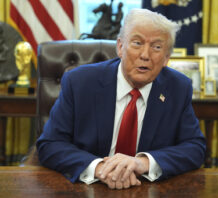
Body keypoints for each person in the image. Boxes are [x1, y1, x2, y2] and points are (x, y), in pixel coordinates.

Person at [37, 8, 206, 190]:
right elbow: (50, 144)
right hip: (88, 188)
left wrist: (143, 163)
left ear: (166, 58)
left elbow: (195, 148)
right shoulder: (79, 82)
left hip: (146, 188)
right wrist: (101, 168)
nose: (145, 55)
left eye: (156, 47)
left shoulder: (178, 88)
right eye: (137, 43)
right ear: (120, 47)